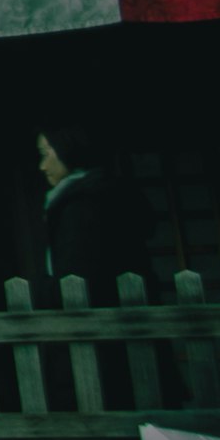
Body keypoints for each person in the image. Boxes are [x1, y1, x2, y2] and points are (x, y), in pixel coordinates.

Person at [37, 121, 159, 305]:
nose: (42, 166)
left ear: (66, 149)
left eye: (46, 154)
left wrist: (48, 293)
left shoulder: (82, 205)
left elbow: (76, 273)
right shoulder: (102, 193)